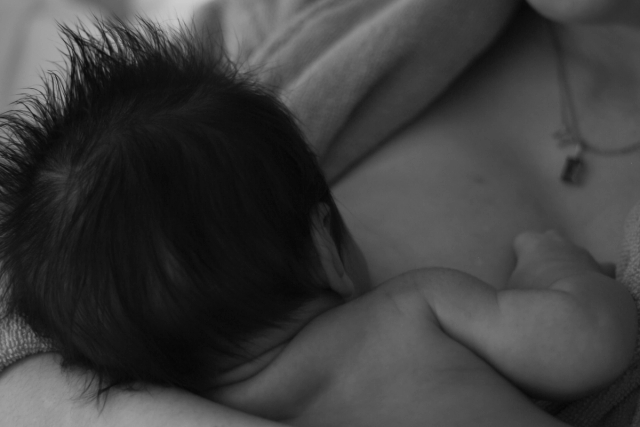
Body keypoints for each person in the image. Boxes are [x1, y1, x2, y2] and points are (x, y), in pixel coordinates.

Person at [2, 0, 640, 426]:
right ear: (326, 247)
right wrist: (551, 265)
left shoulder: (181, 395)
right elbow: (586, 341)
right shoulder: (408, 310)